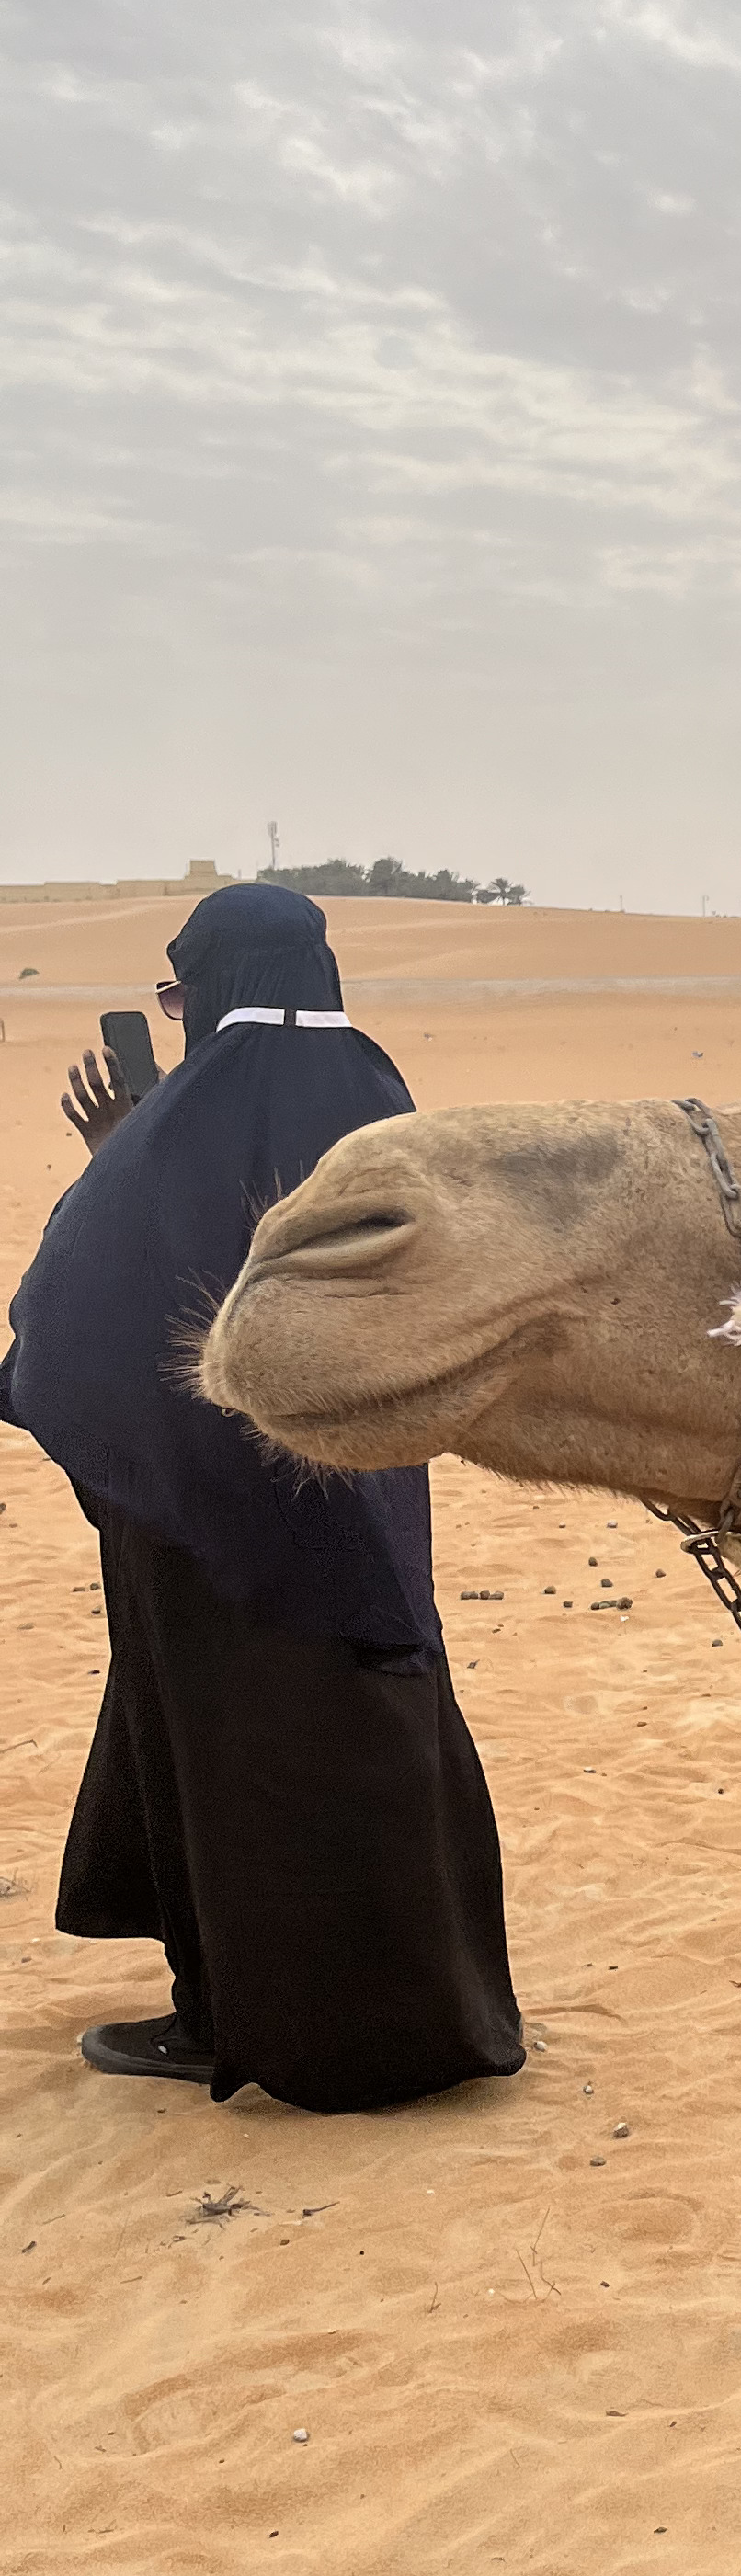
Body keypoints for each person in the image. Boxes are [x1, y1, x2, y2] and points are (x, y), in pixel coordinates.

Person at [4, 883, 521, 2110]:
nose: (175, 1014)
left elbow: (92, 1304)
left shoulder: (192, 1112)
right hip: (359, 1508)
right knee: (366, 1734)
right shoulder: (373, 1093)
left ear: (217, 987)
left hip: (207, 1523)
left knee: (235, 1756)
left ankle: (222, 2022)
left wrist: (117, 1155)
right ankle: (428, 2020)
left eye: (180, 991)